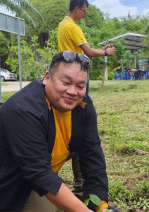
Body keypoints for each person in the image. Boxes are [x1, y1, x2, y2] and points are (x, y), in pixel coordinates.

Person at [0, 51, 117, 212]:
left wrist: (100, 207)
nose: (73, 92)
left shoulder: (83, 105)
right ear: (47, 78)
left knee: (85, 145)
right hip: (9, 172)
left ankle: (82, 200)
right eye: (66, 82)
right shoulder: (24, 110)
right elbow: (38, 172)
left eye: (80, 86)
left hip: (40, 160)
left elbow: (93, 154)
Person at [57, 0, 115, 194]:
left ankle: (79, 184)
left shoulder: (62, 25)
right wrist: (106, 52)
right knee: (81, 127)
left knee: (75, 122)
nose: (84, 14)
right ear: (77, 8)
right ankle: (80, 185)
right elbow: (89, 52)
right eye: (84, 11)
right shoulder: (72, 27)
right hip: (77, 74)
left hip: (65, 74)